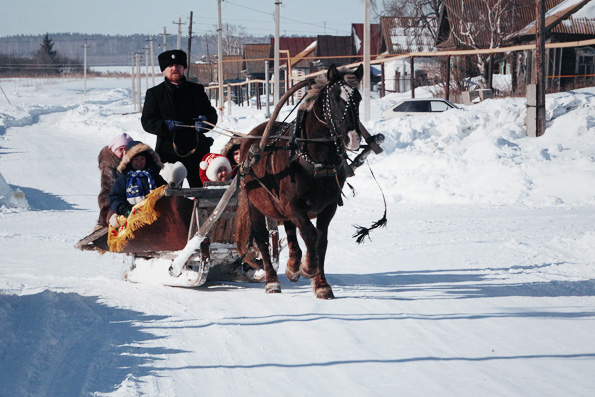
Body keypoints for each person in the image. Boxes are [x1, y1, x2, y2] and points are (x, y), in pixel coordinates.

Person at [141, 49, 218, 188]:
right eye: (170, 66)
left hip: (197, 152)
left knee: (202, 196)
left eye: (178, 65)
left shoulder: (197, 90)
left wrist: (205, 122)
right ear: (163, 70)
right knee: (169, 199)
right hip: (168, 154)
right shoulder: (155, 93)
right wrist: (164, 125)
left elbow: (212, 115)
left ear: (184, 68)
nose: (174, 68)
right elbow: (147, 121)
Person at [109, 141, 167, 222]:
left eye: (142, 159)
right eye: (136, 159)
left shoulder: (153, 176)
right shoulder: (124, 179)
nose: (139, 162)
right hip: (131, 218)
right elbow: (115, 198)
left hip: (155, 215)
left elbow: (165, 190)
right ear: (129, 160)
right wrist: (125, 209)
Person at [96, 133, 133, 228]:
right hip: (114, 207)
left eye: (127, 149)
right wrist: (111, 212)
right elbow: (110, 193)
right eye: (120, 149)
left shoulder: (138, 163)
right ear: (113, 150)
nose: (124, 152)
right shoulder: (110, 169)